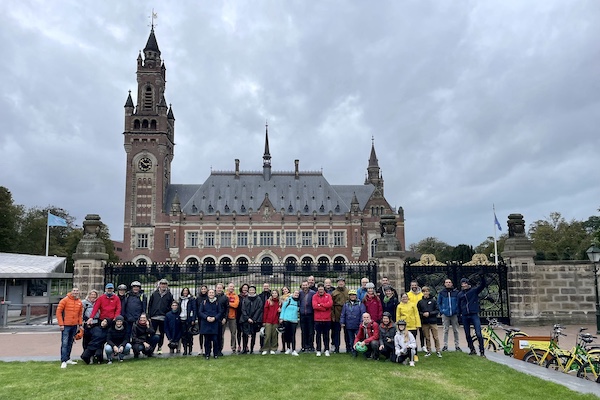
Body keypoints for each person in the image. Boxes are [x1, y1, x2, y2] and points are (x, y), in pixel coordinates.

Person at [457, 274, 488, 357]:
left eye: (465, 283)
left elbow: (483, 286)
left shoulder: (473, 291)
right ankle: (472, 349)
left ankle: (482, 351)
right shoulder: (460, 294)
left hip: (474, 314)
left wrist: (482, 277)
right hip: (465, 315)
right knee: (467, 334)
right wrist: (459, 316)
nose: (464, 285)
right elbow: (459, 305)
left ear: (468, 284)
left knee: (478, 333)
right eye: (463, 283)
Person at [56, 287, 83, 368]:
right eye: (74, 290)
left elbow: (79, 314)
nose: (75, 292)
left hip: (74, 325)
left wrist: (80, 324)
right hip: (66, 325)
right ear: (71, 291)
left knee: (70, 342)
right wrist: (61, 324)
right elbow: (58, 312)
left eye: (77, 291)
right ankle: (63, 360)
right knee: (64, 343)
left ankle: (67, 358)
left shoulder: (79, 302)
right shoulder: (65, 300)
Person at [148, 278, 174, 354]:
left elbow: (170, 306)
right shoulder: (154, 294)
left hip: (163, 317)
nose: (163, 285)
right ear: (159, 285)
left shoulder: (169, 295)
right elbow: (150, 305)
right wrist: (149, 315)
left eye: (165, 284)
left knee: (162, 333)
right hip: (154, 317)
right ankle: (151, 348)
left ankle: (160, 347)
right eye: (162, 284)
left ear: (167, 285)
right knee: (152, 333)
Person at [417, 286, 442, 358]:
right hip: (424, 322)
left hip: (433, 321)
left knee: (436, 337)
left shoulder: (433, 301)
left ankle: (438, 350)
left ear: (429, 292)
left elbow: (437, 310)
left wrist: (429, 313)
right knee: (427, 337)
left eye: (426, 291)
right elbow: (418, 311)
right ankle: (429, 350)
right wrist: (423, 314)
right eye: (424, 291)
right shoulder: (420, 302)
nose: (425, 293)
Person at [437, 278, 461, 352]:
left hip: (454, 314)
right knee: (445, 330)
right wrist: (442, 311)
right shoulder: (441, 293)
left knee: (456, 330)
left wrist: (457, 310)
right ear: (444, 284)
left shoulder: (456, 292)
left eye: (449, 282)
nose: (448, 283)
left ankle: (457, 345)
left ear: (452, 284)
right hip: (445, 314)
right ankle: (445, 345)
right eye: (446, 282)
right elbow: (439, 303)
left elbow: (459, 302)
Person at [340, 289, 365, 356]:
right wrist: (342, 322)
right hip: (349, 325)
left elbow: (362, 314)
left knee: (359, 338)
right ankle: (353, 351)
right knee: (351, 340)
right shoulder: (346, 304)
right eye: (351, 295)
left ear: (356, 296)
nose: (352, 296)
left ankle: (362, 350)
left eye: (354, 295)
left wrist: (361, 322)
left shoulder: (360, 304)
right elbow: (343, 314)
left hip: (358, 325)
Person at [199, 288, 222, 359]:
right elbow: (200, 312)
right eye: (210, 293)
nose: (211, 294)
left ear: (214, 294)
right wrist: (206, 317)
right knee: (207, 340)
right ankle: (207, 354)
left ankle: (215, 354)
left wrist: (215, 318)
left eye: (212, 293)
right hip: (206, 323)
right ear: (208, 294)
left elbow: (220, 312)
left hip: (214, 323)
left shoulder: (217, 302)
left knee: (215, 339)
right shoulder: (204, 302)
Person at [240, 285, 263, 354]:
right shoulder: (245, 299)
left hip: (254, 320)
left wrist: (253, 318)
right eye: (250, 290)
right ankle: (244, 348)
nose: (251, 291)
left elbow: (259, 309)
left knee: (253, 335)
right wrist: (247, 318)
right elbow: (243, 309)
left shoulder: (258, 299)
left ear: (255, 291)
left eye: (253, 290)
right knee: (245, 335)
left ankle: (252, 349)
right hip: (245, 320)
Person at [312, 282, 333, 357]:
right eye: (319, 289)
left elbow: (330, 304)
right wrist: (324, 307)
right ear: (318, 289)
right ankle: (318, 350)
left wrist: (320, 305)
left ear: (324, 289)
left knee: (326, 335)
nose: (321, 290)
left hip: (327, 319)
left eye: (322, 289)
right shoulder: (314, 296)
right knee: (318, 335)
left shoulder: (328, 296)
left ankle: (326, 349)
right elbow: (314, 306)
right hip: (317, 319)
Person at [331, 277, 349, 353]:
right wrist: (333, 316)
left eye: (342, 281)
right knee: (336, 333)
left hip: (347, 315)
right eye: (339, 282)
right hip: (337, 313)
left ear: (344, 282)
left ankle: (349, 347)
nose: (341, 283)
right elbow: (331, 306)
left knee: (347, 333)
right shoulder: (334, 293)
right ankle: (336, 348)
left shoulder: (348, 291)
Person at [280, 289, 300, 356]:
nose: (296, 294)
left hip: (294, 320)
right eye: (295, 293)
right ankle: (288, 348)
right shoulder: (288, 299)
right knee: (287, 334)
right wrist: (281, 317)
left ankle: (294, 349)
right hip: (286, 319)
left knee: (293, 335)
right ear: (293, 293)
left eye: (297, 294)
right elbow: (283, 308)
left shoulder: (299, 302)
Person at [407, 280, 425, 352]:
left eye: (415, 285)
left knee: (422, 332)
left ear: (417, 285)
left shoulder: (422, 294)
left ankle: (423, 346)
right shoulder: (408, 295)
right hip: (412, 316)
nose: (414, 286)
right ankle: (413, 346)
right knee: (413, 333)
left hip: (421, 315)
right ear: (410, 286)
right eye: (412, 285)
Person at [261, 289, 281, 355]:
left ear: (277, 294)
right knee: (267, 335)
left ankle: (273, 348)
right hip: (268, 321)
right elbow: (265, 312)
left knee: (274, 335)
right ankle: (265, 348)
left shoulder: (280, 302)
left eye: (275, 293)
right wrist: (264, 321)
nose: (274, 294)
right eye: (273, 293)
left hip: (276, 321)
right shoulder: (268, 301)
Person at [178, 287, 197, 355]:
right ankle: (185, 349)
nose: (185, 292)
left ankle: (190, 350)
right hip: (182, 318)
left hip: (189, 319)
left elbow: (194, 309)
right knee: (183, 335)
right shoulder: (180, 299)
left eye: (186, 291)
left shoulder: (192, 299)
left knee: (189, 335)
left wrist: (193, 319)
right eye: (184, 291)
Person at [298, 280, 315, 352]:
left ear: (308, 285)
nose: (305, 287)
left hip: (310, 314)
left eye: (306, 285)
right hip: (302, 314)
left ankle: (311, 346)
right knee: (303, 331)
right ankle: (304, 346)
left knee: (311, 331)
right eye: (303, 285)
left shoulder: (312, 293)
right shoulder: (300, 293)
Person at [225, 282, 240, 354]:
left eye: (233, 287)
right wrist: (230, 304)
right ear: (228, 287)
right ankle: (220, 347)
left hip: (232, 316)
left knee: (233, 333)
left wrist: (228, 303)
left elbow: (236, 305)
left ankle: (233, 347)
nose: (231, 288)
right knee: (221, 333)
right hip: (224, 316)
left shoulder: (236, 296)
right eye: (230, 286)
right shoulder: (225, 295)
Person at [215, 283, 229, 356]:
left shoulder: (225, 297)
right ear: (216, 288)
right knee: (214, 335)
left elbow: (227, 309)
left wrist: (225, 318)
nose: (219, 289)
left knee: (221, 335)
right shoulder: (212, 296)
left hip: (222, 319)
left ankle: (220, 350)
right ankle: (214, 349)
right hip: (214, 319)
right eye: (218, 288)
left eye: (220, 288)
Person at [236, 283, 249, 353]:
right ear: (241, 289)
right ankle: (239, 345)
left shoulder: (249, 297)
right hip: (238, 315)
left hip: (246, 316)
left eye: (246, 288)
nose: (245, 289)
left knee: (245, 332)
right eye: (244, 288)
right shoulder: (238, 296)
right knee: (239, 331)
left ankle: (245, 345)